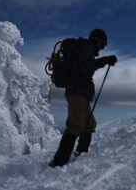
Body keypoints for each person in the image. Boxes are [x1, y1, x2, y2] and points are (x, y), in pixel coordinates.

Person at [49, 29, 117, 167]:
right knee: (75, 126)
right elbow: (86, 67)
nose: (102, 48)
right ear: (97, 42)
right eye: (103, 45)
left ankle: (81, 152)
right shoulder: (85, 48)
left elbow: (84, 67)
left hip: (80, 92)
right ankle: (58, 162)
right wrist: (105, 60)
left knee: (89, 124)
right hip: (77, 92)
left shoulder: (85, 49)